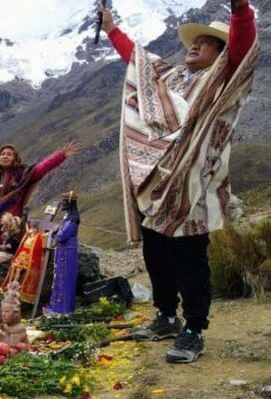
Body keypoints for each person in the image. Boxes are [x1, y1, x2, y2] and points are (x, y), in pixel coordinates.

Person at [100, 0, 258, 363]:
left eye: (205, 42)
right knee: (156, 254)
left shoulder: (221, 80)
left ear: (221, 53)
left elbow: (244, 45)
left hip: (192, 186)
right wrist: (111, 29)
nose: (195, 45)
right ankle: (166, 316)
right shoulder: (169, 78)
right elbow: (137, 61)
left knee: (189, 257)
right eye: (194, 40)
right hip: (155, 185)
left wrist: (239, 9)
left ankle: (193, 329)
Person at [46, 192, 80, 315]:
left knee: (65, 279)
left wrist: (56, 232)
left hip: (68, 252)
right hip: (62, 252)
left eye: (65, 202)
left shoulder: (73, 218)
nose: (62, 205)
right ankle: (57, 306)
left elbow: (62, 235)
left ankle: (64, 308)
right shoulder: (67, 217)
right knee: (59, 278)